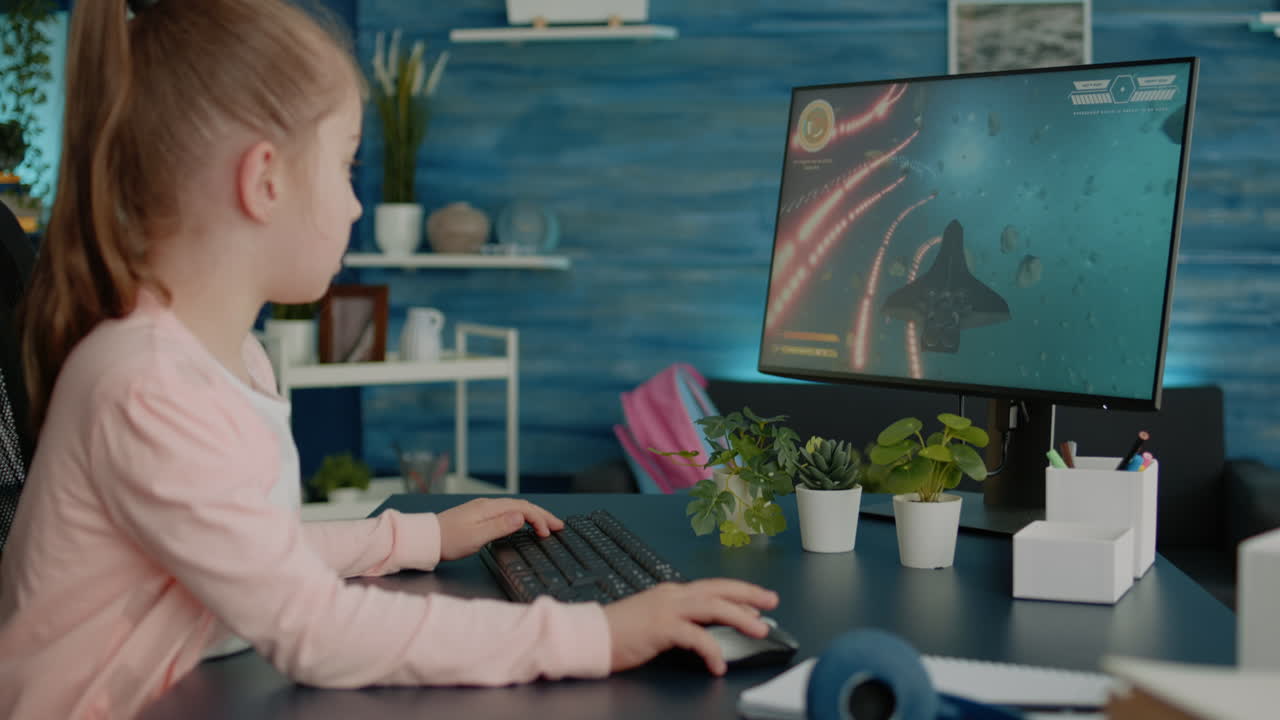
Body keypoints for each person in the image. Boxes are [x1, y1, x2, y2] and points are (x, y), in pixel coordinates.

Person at [0, 1, 779, 718]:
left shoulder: (228, 357)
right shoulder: (149, 387)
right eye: (343, 167)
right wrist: (599, 635)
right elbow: (315, 627)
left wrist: (417, 538)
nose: (354, 203)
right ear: (264, 180)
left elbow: (258, 554)